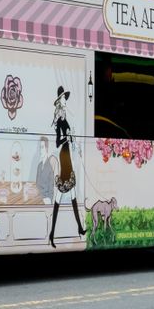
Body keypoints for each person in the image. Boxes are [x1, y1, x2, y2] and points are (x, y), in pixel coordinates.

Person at [49, 86, 86, 246]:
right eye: (64, 98)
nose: (65, 100)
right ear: (60, 101)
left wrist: (71, 140)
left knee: (71, 196)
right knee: (63, 195)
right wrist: (67, 138)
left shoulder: (64, 118)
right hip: (64, 156)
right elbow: (58, 142)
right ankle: (52, 233)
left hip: (67, 155)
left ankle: (78, 228)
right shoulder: (59, 120)